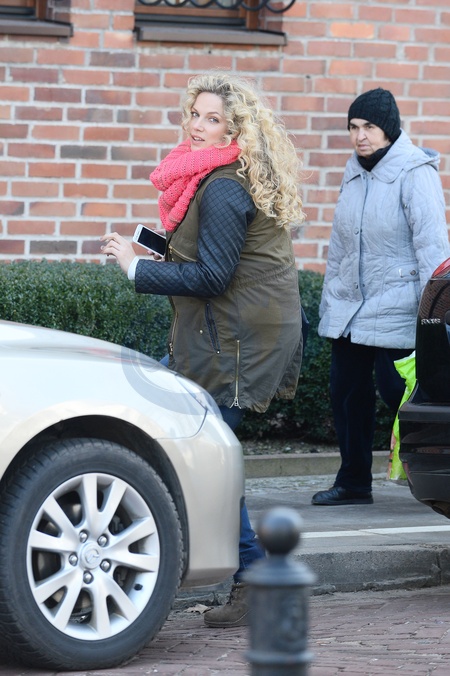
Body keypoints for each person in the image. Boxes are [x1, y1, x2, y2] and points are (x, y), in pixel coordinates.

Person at [100, 72, 305, 625]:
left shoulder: (222, 187)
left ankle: (254, 582)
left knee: (200, 455)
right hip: (226, 335)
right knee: (199, 452)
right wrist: (156, 252)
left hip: (239, 343)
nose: (197, 125)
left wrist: (136, 268)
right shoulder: (208, 177)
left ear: (233, 130)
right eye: (195, 113)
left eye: (213, 119)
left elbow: (214, 276)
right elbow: (211, 255)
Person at [313, 87, 450, 507]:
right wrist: (330, 306)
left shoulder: (415, 172)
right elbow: (340, 248)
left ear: (388, 129)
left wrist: (435, 314)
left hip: (398, 307)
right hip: (350, 309)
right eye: (354, 127)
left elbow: (433, 248)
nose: (360, 136)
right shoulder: (353, 171)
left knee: (400, 394)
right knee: (346, 396)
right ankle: (353, 483)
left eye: (369, 127)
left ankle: (436, 480)